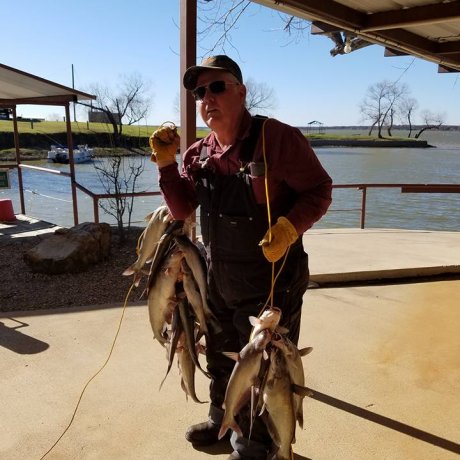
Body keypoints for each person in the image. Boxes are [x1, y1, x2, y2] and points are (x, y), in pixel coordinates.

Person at [150, 55, 332, 460]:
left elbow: (319, 189)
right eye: (200, 92)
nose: (207, 98)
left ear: (242, 92)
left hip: (272, 280)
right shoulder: (199, 153)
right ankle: (222, 418)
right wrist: (167, 165)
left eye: (217, 87)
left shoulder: (277, 139)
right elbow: (181, 209)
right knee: (218, 350)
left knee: (262, 365)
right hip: (217, 276)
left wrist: (288, 229)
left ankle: (256, 445)